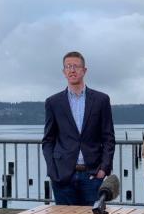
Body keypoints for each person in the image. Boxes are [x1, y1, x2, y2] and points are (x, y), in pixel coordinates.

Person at [42, 51, 115, 206]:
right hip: (63, 176)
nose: (72, 70)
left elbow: (108, 138)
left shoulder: (101, 100)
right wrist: (53, 171)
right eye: (68, 66)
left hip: (93, 176)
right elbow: (48, 140)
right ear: (63, 72)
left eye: (76, 66)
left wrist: (103, 169)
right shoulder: (53, 102)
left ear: (84, 70)